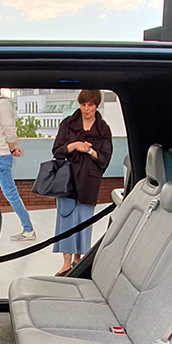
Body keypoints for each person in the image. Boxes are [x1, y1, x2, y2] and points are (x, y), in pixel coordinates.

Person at [51, 89, 112, 274]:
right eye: (83, 104)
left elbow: (105, 159)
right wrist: (74, 146)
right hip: (67, 179)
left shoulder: (103, 129)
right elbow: (57, 151)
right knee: (66, 219)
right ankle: (66, 263)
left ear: (96, 106)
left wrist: (89, 151)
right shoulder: (68, 124)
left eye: (90, 105)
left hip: (89, 181)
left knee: (83, 220)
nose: (86, 109)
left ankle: (78, 260)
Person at [0, 87, 35, 241]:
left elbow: (10, 129)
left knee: (10, 194)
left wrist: (12, 149)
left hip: (1, 157)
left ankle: (29, 230)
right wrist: (13, 148)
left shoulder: (2, 104)